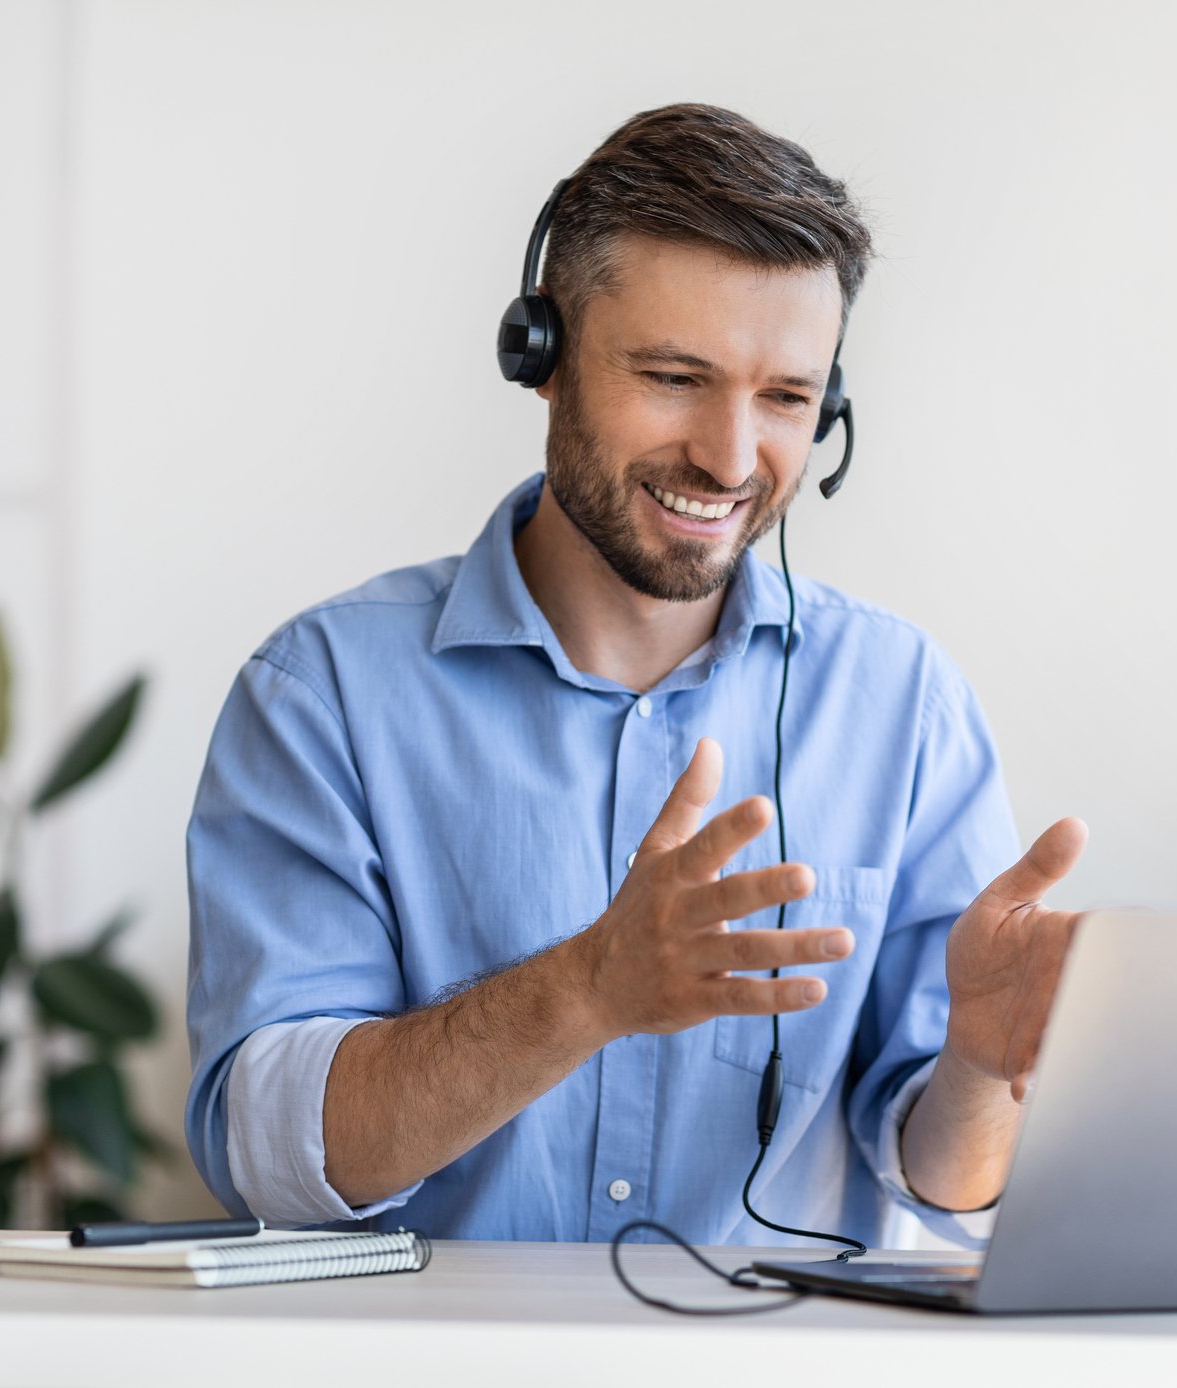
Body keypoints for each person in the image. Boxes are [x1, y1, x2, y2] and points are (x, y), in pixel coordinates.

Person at [183, 102, 1087, 1248]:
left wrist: (977, 1066)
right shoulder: (322, 696)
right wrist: (587, 988)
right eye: (673, 376)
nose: (727, 454)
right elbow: (269, 1155)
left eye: (786, 399)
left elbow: (944, 1185)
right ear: (542, 359)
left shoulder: (903, 704)